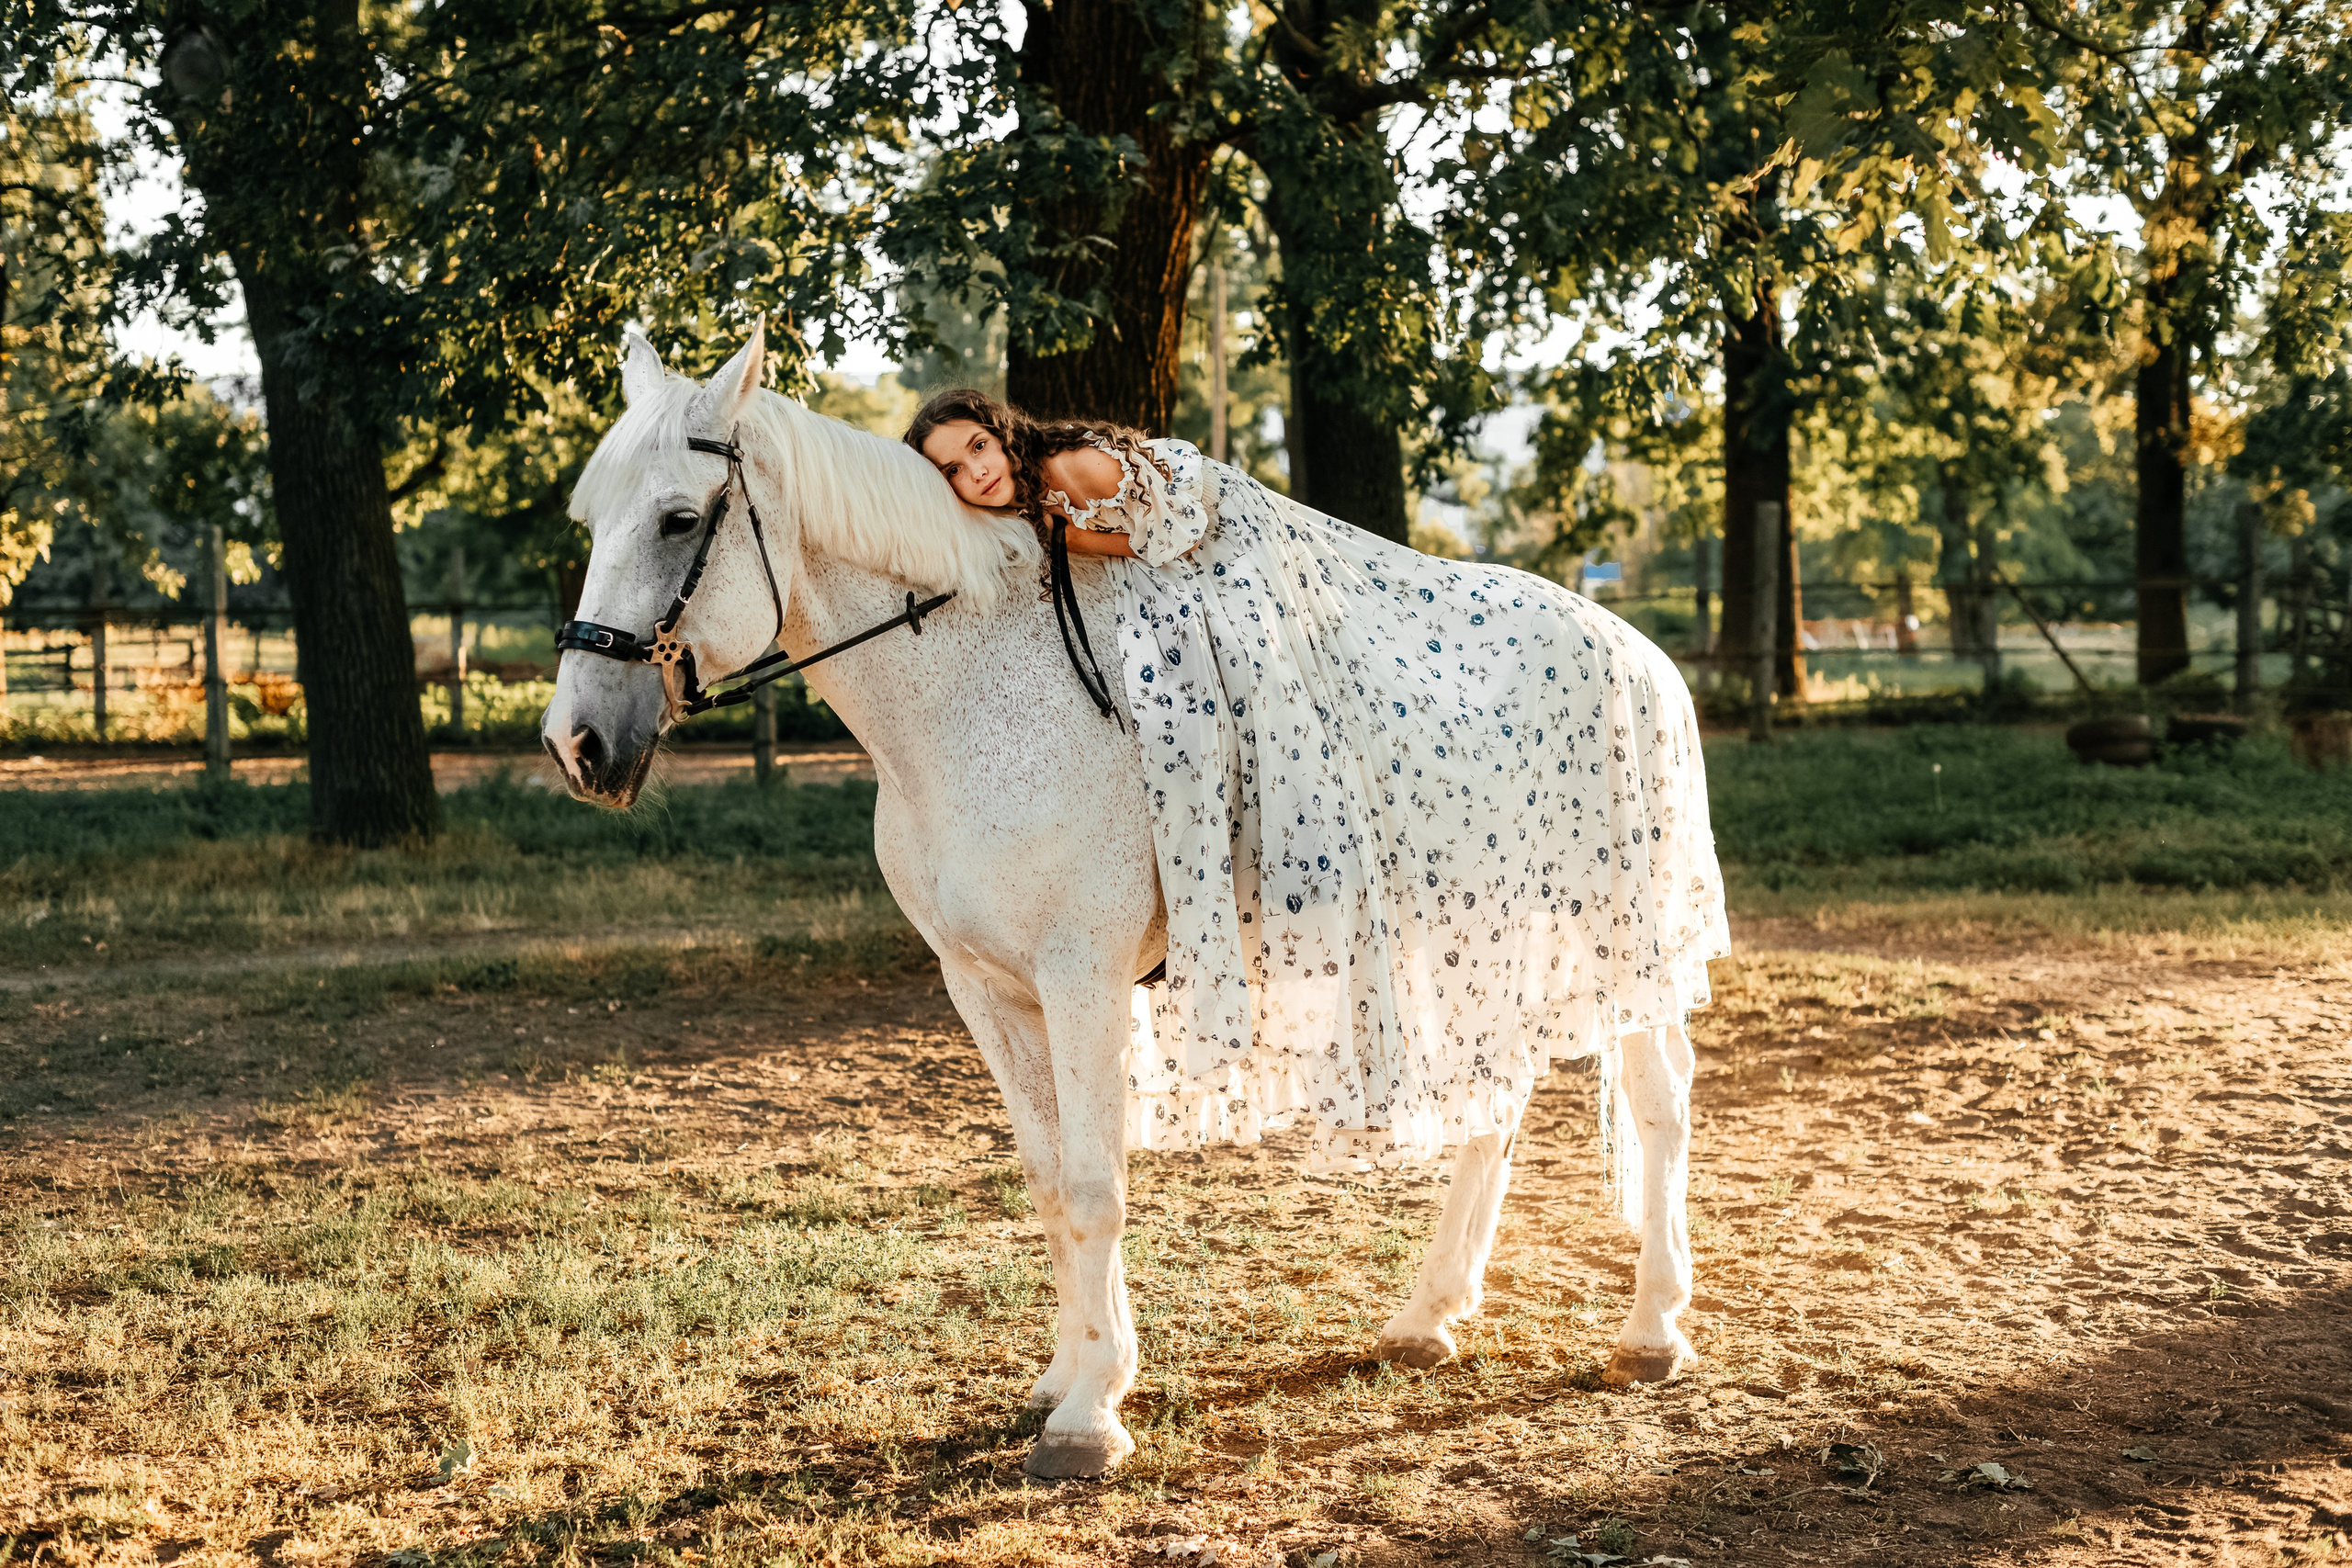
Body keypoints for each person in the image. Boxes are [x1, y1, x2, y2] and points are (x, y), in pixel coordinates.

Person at [907, 389, 1727, 1170]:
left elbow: (1179, 526)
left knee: (1250, 689)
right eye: (950, 470)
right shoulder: (1010, 508)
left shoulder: (1064, 469)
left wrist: (1078, 542)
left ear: (1001, 432)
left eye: (977, 447)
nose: (974, 471)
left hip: (1225, 542)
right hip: (1166, 569)